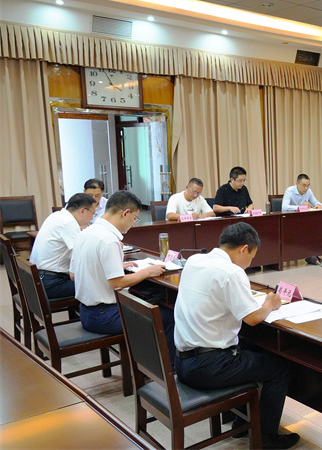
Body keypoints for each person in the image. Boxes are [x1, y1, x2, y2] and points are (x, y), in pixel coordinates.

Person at [173, 222, 300, 449]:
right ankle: (267, 439)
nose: (250, 263)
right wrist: (270, 304)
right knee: (279, 369)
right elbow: (252, 318)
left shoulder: (195, 261)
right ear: (244, 249)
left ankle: (241, 423)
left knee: (251, 349)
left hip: (182, 362)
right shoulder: (232, 272)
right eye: (251, 257)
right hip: (208, 367)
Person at [70, 190, 166, 334]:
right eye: (135, 218)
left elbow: (73, 274)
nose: (133, 224)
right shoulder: (108, 239)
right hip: (106, 316)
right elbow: (117, 283)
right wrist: (147, 272)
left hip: (85, 312)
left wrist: (114, 267)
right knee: (167, 316)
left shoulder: (85, 233)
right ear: (125, 213)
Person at [29, 193, 97, 299]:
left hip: (38, 279)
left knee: (92, 282)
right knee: (100, 286)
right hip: (51, 283)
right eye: (93, 213)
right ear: (82, 211)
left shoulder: (57, 215)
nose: (92, 218)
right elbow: (83, 255)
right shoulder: (69, 223)